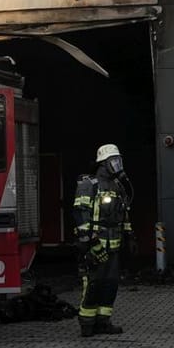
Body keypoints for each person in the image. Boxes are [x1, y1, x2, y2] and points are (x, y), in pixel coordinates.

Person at [73, 143, 133, 337]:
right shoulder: (88, 184)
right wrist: (89, 243)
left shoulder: (118, 186)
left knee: (110, 284)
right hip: (95, 245)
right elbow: (81, 214)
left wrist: (130, 236)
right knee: (93, 284)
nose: (117, 165)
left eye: (118, 161)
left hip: (113, 246)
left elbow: (124, 214)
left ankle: (103, 322)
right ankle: (87, 324)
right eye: (113, 161)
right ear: (102, 164)